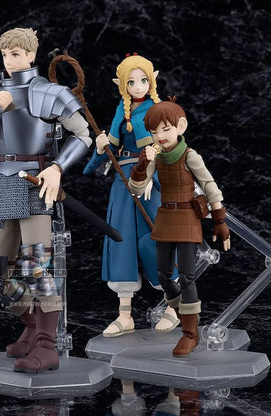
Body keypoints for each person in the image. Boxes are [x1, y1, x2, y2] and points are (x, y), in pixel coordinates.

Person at [0, 28, 92, 373]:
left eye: (16, 53)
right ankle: (32, 328)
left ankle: (47, 346)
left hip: (37, 183)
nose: (10, 59)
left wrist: (58, 168)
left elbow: (83, 135)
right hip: (2, 182)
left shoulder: (48, 93)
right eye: (5, 54)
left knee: (36, 268)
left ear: (31, 55)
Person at [83, 55, 178, 337]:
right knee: (120, 240)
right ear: (122, 84)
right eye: (131, 82)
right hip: (123, 181)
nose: (138, 87)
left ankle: (174, 306)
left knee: (155, 239)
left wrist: (151, 174)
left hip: (150, 179)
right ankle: (125, 314)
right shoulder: (120, 110)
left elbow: (168, 146)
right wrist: (101, 146)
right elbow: (109, 151)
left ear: (152, 80)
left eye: (143, 80)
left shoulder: (158, 109)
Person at [129, 98, 230, 356]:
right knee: (164, 275)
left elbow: (209, 184)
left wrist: (220, 220)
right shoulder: (156, 157)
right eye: (154, 132)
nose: (160, 136)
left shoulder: (190, 155)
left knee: (186, 277)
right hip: (165, 217)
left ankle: (190, 333)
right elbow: (136, 189)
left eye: (165, 129)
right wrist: (142, 165)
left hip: (186, 218)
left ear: (180, 127)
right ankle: (180, 312)